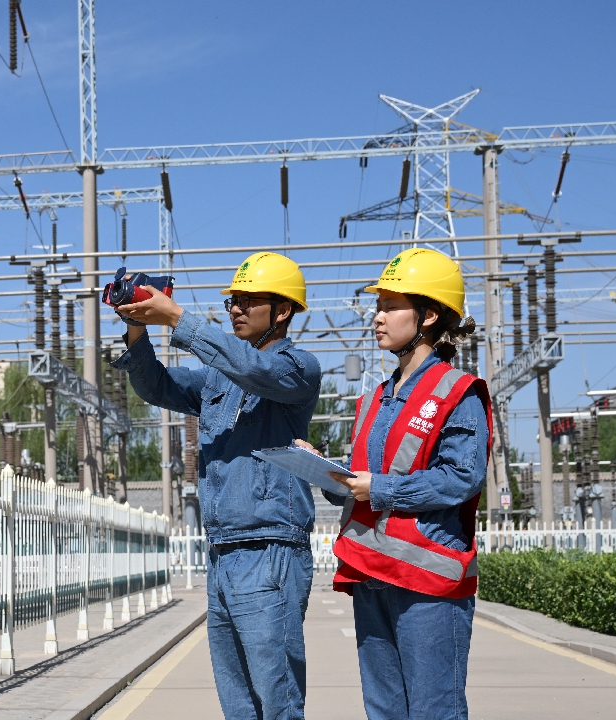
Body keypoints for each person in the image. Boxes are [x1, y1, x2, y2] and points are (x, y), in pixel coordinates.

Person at [111, 252, 322, 720]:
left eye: (248, 301)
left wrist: (178, 319)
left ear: (282, 310)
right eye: (232, 301)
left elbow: (255, 371)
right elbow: (158, 387)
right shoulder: (216, 379)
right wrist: (137, 327)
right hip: (223, 552)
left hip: (270, 549)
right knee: (238, 702)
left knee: (276, 697)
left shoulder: (298, 369)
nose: (235, 309)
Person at [300, 247, 491, 720]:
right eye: (378, 306)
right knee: (384, 709)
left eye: (389, 306)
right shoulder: (374, 400)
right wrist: (327, 473)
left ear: (426, 317)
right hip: (372, 574)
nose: (378, 316)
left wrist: (380, 490)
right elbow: (364, 480)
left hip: (427, 582)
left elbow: (462, 477)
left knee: (434, 709)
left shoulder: (456, 391)